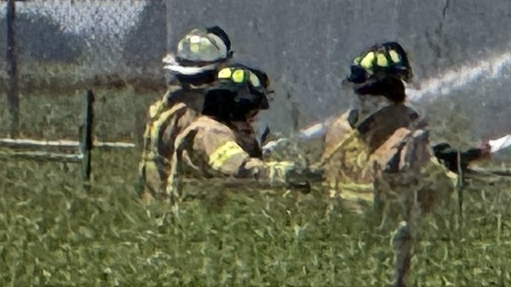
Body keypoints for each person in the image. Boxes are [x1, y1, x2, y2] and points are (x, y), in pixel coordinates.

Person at [308, 39, 490, 198]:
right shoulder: (406, 128)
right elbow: (437, 185)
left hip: (343, 216)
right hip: (385, 218)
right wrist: (456, 169)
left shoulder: (340, 129)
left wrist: (448, 156)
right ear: (395, 88)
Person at [144, 32, 307, 194]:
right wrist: (285, 174)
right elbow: (240, 169)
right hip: (198, 205)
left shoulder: (168, 110)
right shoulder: (208, 128)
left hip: (161, 197)